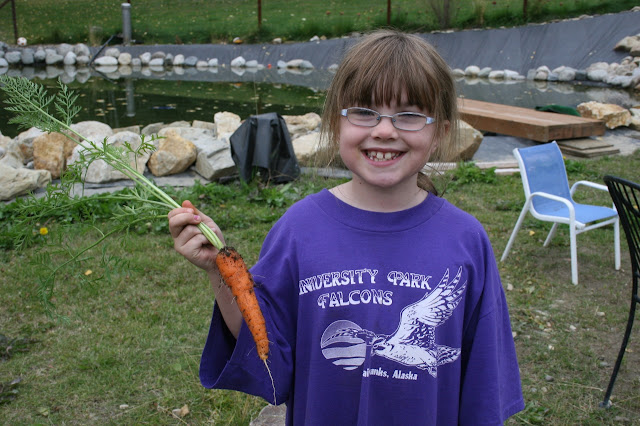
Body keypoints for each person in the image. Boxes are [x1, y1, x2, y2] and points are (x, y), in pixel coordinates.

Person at [168, 30, 525, 425]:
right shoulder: (298, 231)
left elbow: (484, 387)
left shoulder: (466, 241)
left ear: (440, 132)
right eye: (364, 112)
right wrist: (219, 270)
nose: (384, 130)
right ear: (337, 124)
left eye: (408, 115)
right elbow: (268, 357)